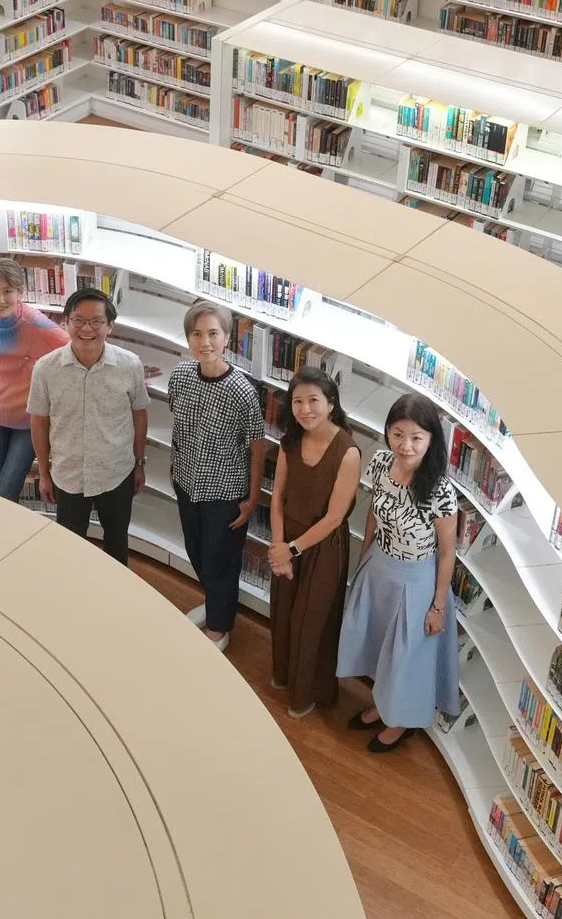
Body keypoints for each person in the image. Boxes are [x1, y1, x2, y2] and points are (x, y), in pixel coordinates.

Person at [337, 393, 461, 752]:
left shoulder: (440, 491)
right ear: (388, 433)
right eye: (397, 434)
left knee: (407, 657)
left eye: (416, 437)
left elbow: (448, 552)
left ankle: (403, 722)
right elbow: (374, 511)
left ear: (431, 440)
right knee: (379, 645)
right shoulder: (378, 463)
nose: (406, 445)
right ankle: (382, 703)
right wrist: (365, 560)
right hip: (380, 568)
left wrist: (437, 607)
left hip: (416, 581)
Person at [168, 301, 266, 653]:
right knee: (196, 551)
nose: (205, 342)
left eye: (213, 333)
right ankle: (214, 606)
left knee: (220, 561)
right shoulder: (180, 375)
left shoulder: (241, 390)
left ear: (227, 339)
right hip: (186, 483)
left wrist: (252, 499)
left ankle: (219, 625)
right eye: (197, 334)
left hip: (224, 493)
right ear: (188, 338)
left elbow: (257, 445)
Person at [27, 287, 150, 564]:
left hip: (116, 471)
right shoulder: (46, 369)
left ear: (110, 326)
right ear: (66, 323)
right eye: (78, 320)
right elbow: (39, 421)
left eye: (96, 321)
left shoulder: (129, 365)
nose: (87, 328)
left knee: (117, 541)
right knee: (70, 547)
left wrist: (139, 463)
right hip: (69, 473)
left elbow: (139, 415)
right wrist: (44, 473)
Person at [268, 368, 361, 717]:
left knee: (311, 622)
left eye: (313, 401)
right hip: (287, 543)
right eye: (297, 401)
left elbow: (334, 518)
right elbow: (277, 498)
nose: (305, 409)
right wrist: (279, 548)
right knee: (282, 613)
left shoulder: (347, 452)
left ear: (331, 404)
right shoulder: (289, 442)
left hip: (322, 549)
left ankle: (306, 694)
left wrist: (290, 550)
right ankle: (282, 676)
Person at [0, 257, 68, 502]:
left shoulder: (32, 321)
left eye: (8, 292)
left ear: (20, 292)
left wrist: (123, 364)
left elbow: (72, 346)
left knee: (7, 488)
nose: (0, 300)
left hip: (28, 418)